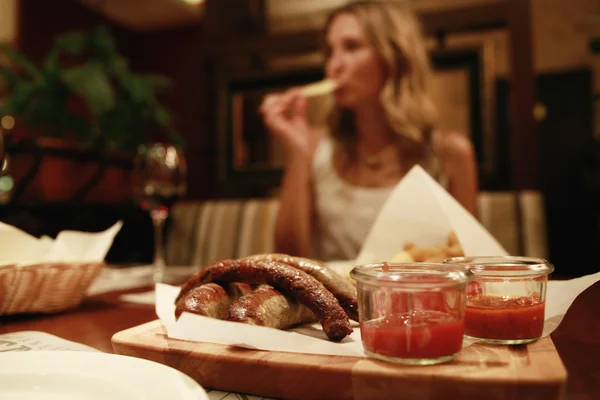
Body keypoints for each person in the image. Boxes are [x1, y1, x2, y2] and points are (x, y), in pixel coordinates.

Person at [260, 0, 479, 261]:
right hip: (336, 300)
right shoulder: (314, 147)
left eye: (352, 47)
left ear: (393, 57)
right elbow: (288, 259)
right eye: (330, 52)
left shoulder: (450, 153)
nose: (335, 65)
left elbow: (469, 260)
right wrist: (297, 152)